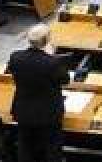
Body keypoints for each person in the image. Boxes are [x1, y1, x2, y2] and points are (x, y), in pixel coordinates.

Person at [9, 24, 68, 162]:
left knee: (25, 146)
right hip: (48, 115)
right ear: (47, 40)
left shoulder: (15, 57)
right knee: (52, 149)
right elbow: (65, 79)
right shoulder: (52, 63)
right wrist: (50, 55)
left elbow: (12, 70)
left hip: (23, 111)